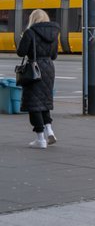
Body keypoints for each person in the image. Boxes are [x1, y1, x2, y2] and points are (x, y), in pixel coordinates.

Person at [17, 9, 61, 149]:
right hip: (48, 67)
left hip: (34, 69)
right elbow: (54, 55)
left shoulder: (30, 32)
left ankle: (40, 139)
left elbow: (21, 52)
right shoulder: (54, 33)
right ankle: (50, 130)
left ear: (33, 19)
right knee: (44, 100)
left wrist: (23, 38)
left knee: (34, 103)